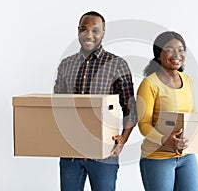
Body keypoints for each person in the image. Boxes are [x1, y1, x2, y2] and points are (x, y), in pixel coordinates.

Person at [136, 31, 198, 191]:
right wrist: (165, 139)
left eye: (181, 50)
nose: (177, 54)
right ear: (159, 55)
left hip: (186, 157)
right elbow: (143, 124)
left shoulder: (187, 80)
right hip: (157, 157)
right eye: (170, 50)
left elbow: (192, 120)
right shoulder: (149, 84)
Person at [54, 11, 137, 191]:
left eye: (95, 30)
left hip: (104, 154)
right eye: (84, 29)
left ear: (103, 32)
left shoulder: (117, 64)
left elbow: (130, 108)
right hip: (70, 152)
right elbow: (56, 106)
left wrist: (123, 139)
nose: (89, 35)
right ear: (78, 31)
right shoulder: (66, 64)